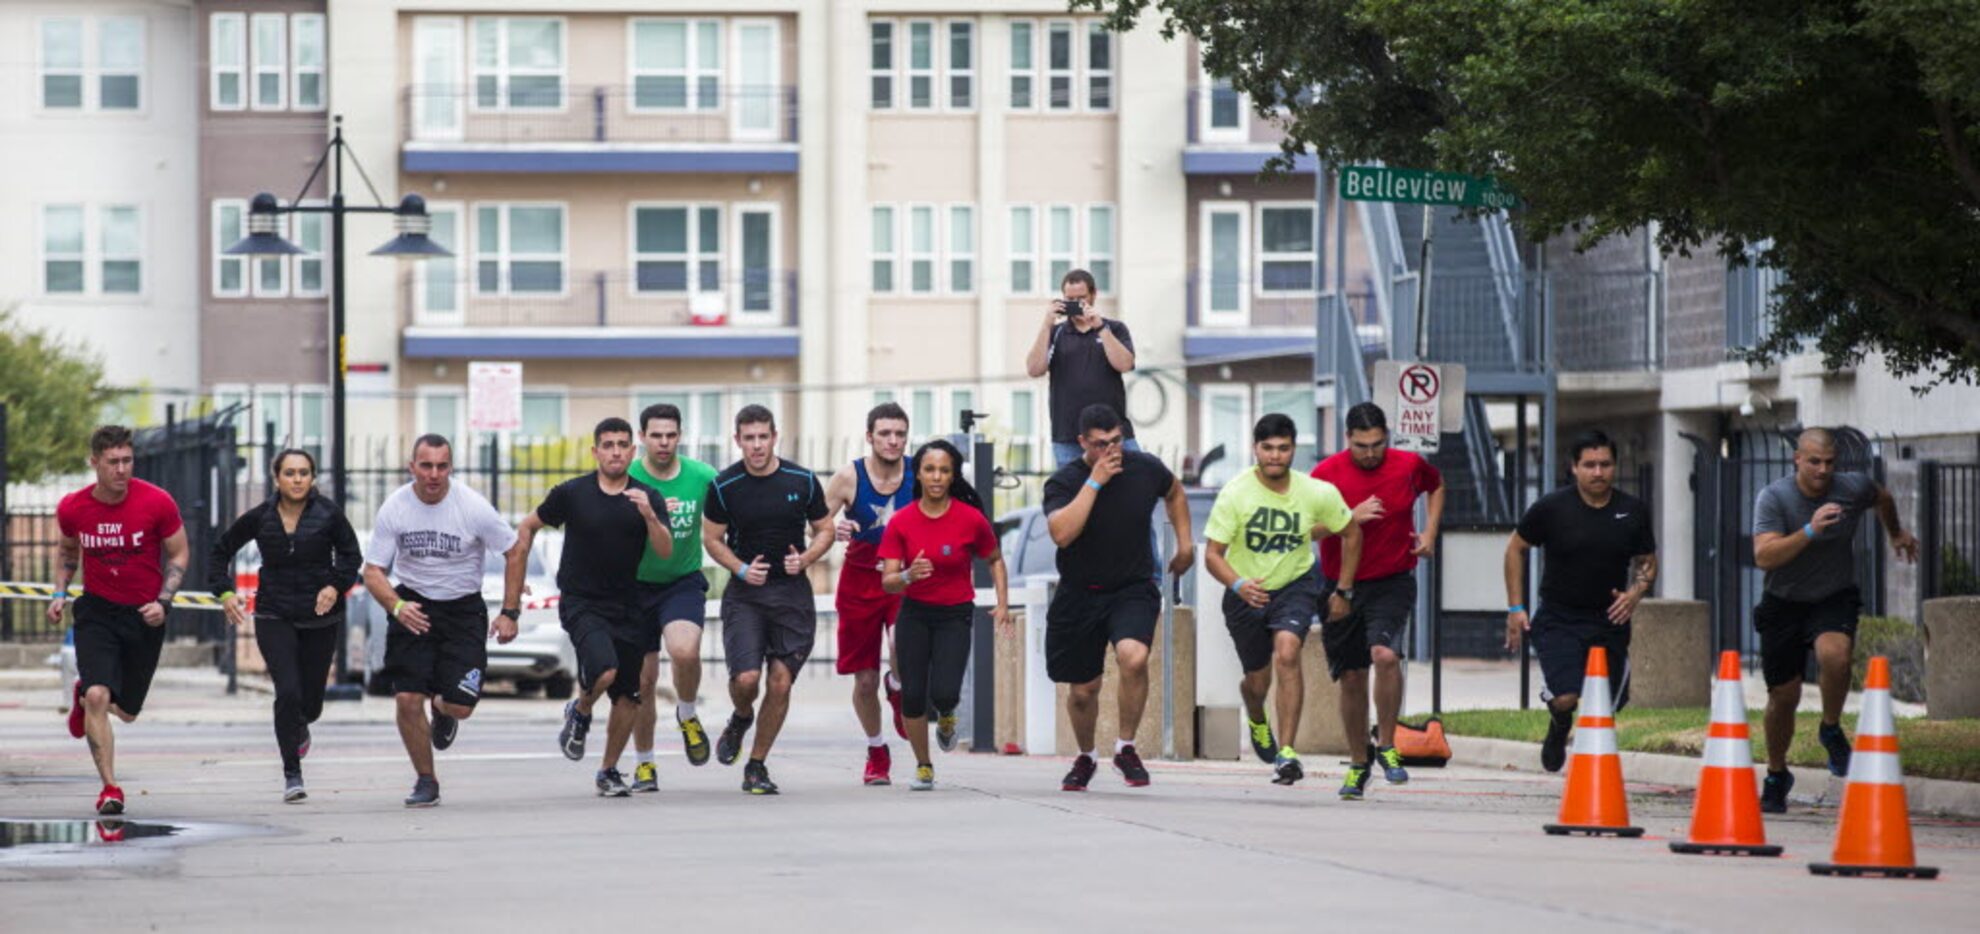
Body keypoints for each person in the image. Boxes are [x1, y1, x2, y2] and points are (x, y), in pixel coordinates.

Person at [1751, 428, 1918, 813]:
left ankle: (1830, 728)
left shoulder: (1852, 487)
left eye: (1829, 462)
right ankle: (1777, 774)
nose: (1822, 470)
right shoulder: (1774, 498)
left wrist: (1895, 532)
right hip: (1783, 603)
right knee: (1784, 697)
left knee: (1837, 656)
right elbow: (1764, 556)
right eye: (1814, 462)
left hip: (1833, 597)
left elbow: (1883, 496)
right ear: (1797, 460)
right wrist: (1810, 530)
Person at [1204, 414, 1361, 793]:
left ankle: (1287, 752)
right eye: (1268, 448)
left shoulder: (1315, 492)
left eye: (1284, 448)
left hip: (1295, 584)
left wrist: (1343, 590)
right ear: (1256, 449)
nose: (1276, 456)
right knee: (1256, 681)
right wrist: (1239, 584)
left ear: (1294, 449)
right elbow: (1212, 555)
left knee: (1288, 651)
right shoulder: (1236, 493)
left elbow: (1351, 533)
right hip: (1246, 592)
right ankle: (1256, 714)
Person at [515, 418, 672, 797]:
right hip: (583, 602)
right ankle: (581, 710)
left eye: (622, 444)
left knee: (628, 696)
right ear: (596, 451)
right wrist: (516, 571)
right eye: (608, 444)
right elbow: (528, 525)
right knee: (604, 670)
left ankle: (608, 771)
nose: (616, 451)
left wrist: (649, 515)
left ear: (633, 452)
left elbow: (665, 552)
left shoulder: (647, 496)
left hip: (629, 604)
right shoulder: (572, 493)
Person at [362, 434, 521, 808]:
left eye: (442, 466)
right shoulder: (395, 508)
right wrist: (397, 606)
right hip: (413, 606)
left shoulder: (472, 507)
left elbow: (515, 551)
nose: (434, 474)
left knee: (461, 705)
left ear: (451, 467)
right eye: (426, 465)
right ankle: (426, 779)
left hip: (463, 609)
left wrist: (510, 612)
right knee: (406, 699)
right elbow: (373, 571)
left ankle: (443, 708)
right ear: (412, 467)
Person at [1042, 404, 1195, 791]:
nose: (1110, 451)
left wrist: (1185, 543)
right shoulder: (1064, 481)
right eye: (1099, 444)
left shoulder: (1144, 467)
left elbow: (1174, 491)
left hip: (1132, 587)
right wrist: (1094, 482)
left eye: (1116, 441)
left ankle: (1126, 747)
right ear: (1082, 443)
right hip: (1079, 592)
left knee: (1134, 655)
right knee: (1083, 691)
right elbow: (1062, 534)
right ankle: (1086, 756)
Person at [209, 448, 363, 803]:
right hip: (273, 614)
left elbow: (351, 557)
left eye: (304, 473)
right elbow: (220, 551)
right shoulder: (261, 517)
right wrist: (226, 592)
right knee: (288, 692)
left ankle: (303, 724)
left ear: (313, 478)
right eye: (290, 473)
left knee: (310, 704)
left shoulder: (328, 515)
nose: (297, 479)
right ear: (276, 477)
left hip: (320, 618)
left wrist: (335, 585)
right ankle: (292, 773)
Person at [52, 425, 190, 816]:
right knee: (100, 696)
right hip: (96, 610)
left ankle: (87, 693)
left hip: (144, 613)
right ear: (94, 462)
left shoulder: (157, 502)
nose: (121, 469)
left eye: (127, 460)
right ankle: (110, 789)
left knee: (126, 712)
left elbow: (179, 554)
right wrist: (60, 593)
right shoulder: (73, 507)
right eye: (112, 462)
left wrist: (164, 601)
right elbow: (66, 552)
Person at [1504, 430, 1658, 774]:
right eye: (1589, 465)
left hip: (1609, 620)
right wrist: (1516, 608)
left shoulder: (1632, 511)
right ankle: (1559, 725)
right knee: (1566, 697)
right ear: (1574, 468)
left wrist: (1636, 592)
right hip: (1559, 617)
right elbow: (1515, 548)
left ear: (1615, 466)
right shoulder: (1552, 508)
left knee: (1608, 706)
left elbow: (1647, 561)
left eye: (1605, 464)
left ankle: (1593, 761)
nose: (1598, 472)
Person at [1311, 402, 1446, 793]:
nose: (1370, 453)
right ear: (1347, 440)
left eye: (1377, 444)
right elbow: (1306, 530)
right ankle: (1358, 762)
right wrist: (1347, 517)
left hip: (1392, 580)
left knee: (1384, 655)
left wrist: (1430, 532)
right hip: (1341, 587)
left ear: (1387, 436)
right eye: (1362, 446)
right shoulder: (1325, 475)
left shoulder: (1407, 464)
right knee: (1351, 677)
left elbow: (1436, 485)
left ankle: (1386, 744)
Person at [702, 405, 834, 795]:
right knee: (746, 680)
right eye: (749, 438)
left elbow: (824, 529)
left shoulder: (803, 480)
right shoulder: (724, 486)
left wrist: (807, 558)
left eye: (763, 437)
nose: (757, 446)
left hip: (791, 593)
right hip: (746, 594)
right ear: (737, 440)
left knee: (779, 683)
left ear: (774, 436)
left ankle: (756, 765)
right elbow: (711, 539)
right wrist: (741, 569)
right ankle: (741, 716)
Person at [878, 439, 1013, 790]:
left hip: (954, 613)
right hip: (915, 613)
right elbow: (889, 582)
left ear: (953, 476)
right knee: (912, 694)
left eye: (944, 470)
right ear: (918, 475)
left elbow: (995, 560)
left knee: (945, 692)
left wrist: (1002, 603)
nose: (936, 477)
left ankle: (948, 714)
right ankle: (924, 765)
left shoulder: (971, 519)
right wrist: (908, 575)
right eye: (929, 469)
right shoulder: (901, 522)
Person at [626, 403, 720, 792]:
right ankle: (645, 764)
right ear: (642, 438)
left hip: (681, 581)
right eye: (655, 435)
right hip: (633, 586)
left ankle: (687, 713)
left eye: (670, 435)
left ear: (679, 436)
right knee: (643, 682)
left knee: (684, 651)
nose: (663, 443)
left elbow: (734, 515)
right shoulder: (626, 476)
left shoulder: (702, 476)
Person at [825, 403, 915, 786]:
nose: (893, 441)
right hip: (859, 580)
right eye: (885, 434)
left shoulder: (920, 472)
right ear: (869, 436)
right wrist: (836, 529)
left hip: (904, 579)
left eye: (899, 434)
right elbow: (816, 524)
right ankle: (877, 749)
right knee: (863, 681)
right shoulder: (849, 477)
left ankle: (897, 686)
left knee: (902, 645)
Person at [1025, 268, 1138, 469]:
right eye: (1070, 299)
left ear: (1094, 295)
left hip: (1113, 434)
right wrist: (1046, 324)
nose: (1076, 304)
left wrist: (1100, 327)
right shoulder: (1057, 333)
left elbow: (1125, 364)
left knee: (1135, 484)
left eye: (1081, 298)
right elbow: (1034, 369)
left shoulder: (1114, 328)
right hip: (1069, 436)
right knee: (1073, 495)